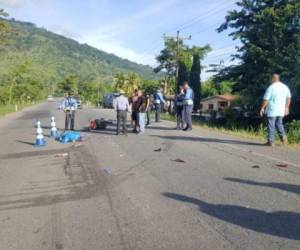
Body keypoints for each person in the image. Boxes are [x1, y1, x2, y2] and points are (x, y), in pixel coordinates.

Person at [259, 74, 291, 146]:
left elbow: (266, 99)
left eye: (271, 79)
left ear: (273, 79)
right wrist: (287, 107)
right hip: (281, 110)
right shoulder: (285, 87)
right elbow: (288, 98)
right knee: (279, 124)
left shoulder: (271, 87)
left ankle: (271, 142)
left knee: (271, 125)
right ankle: (284, 140)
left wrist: (262, 108)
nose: (270, 80)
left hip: (272, 110)